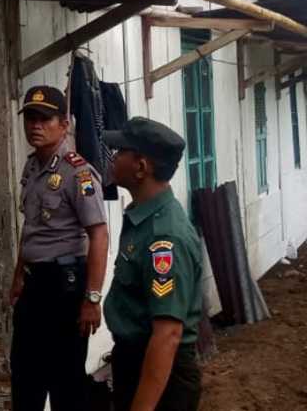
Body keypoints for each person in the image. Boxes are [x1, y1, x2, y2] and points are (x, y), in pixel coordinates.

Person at [10, 86, 110, 411]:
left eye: (45, 118)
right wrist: (18, 275)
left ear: (64, 124)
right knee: (26, 377)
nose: (35, 125)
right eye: (30, 118)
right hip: (35, 284)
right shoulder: (32, 168)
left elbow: (99, 235)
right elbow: (32, 228)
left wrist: (92, 299)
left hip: (65, 287)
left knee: (65, 382)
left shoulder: (78, 173)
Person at [103, 117, 202, 411]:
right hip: (137, 361)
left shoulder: (165, 236)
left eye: (121, 151)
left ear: (141, 167)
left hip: (161, 374)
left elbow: (167, 335)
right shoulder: (143, 217)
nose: (113, 157)